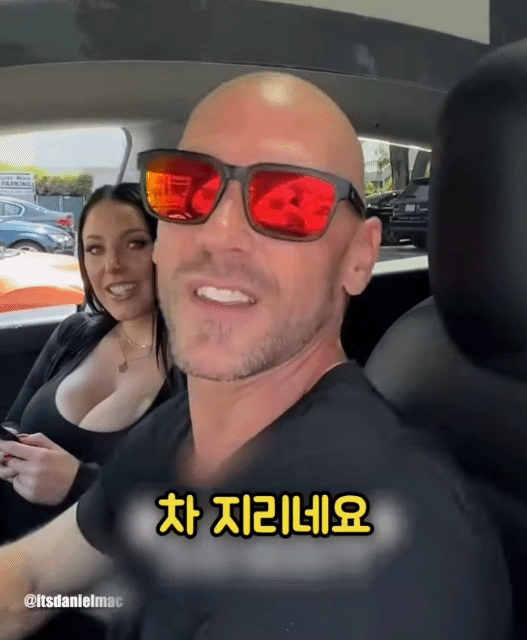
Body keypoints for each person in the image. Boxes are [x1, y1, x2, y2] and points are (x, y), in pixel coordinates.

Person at [0, 73, 512, 640]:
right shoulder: (178, 431)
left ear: (359, 258)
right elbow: (30, 579)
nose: (218, 235)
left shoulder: (390, 561)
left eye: (290, 202)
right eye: (185, 190)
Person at [0, 183, 185, 640]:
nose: (112, 266)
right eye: (94, 249)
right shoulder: (74, 333)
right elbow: (15, 422)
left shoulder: (201, 372)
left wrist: (80, 484)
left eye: (134, 244)